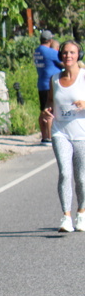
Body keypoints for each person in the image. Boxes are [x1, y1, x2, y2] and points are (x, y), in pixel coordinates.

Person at [42, 40, 85, 232]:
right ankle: (66, 217)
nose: (68, 56)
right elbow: (50, 101)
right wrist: (47, 110)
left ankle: (81, 213)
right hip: (60, 132)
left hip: (82, 134)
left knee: (82, 178)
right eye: (65, 52)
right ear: (60, 55)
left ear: (78, 55)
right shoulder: (54, 79)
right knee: (65, 173)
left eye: (72, 53)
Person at [33, 30, 63, 143]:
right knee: (50, 112)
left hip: (41, 83)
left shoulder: (37, 51)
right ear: (50, 40)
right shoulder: (50, 52)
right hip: (50, 84)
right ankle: (50, 138)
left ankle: (44, 136)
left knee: (43, 111)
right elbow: (64, 62)